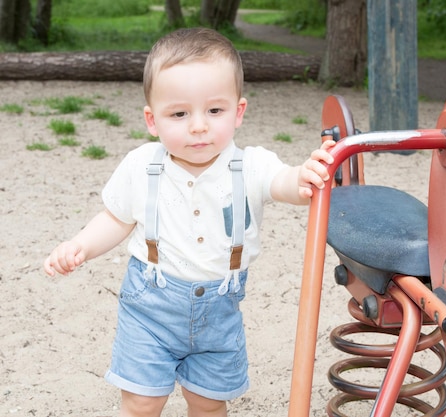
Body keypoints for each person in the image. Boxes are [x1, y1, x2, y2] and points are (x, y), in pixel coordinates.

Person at [43, 27, 335, 417]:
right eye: (179, 114)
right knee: (141, 403)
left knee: (209, 404)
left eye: (215, 111)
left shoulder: (251, 165)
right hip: (149, 309)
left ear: (239, 111)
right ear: (152, 120)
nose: (198, 125)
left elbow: (285, 184)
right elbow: (116, 218)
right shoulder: (141, 165)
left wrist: (303, 177)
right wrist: (80, 245)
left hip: (219, 313)